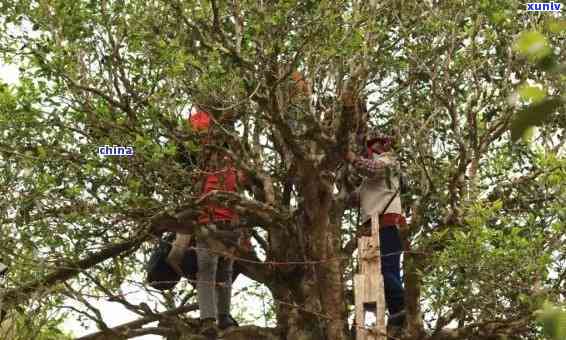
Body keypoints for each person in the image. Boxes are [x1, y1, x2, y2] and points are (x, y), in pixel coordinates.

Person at [345, 130, 406, 331]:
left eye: (375, 146)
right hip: (373, 229)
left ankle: (402, 307)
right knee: (377, 274)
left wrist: (351, 157)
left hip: (386, 224)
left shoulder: (389, 162)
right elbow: (353, 198)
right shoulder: (368, 181)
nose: (371, 150)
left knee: (385, 270)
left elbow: (371, 168)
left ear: (384, 146)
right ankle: (390, 313)